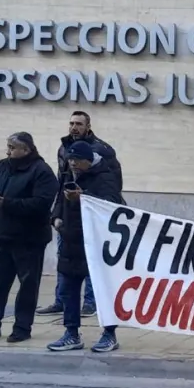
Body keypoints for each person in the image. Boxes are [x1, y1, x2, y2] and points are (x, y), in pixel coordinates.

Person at [0, 133, 57, 343]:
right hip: (2, 236)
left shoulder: (41, 171)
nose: (8, 151)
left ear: (26, 150)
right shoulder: (1, 166)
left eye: (12, 147)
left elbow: (41, 204)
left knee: (27, 286)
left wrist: (6, 203)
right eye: (8, 146)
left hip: (29, 239)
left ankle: (22, 328)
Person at [36, 110, 123, 318]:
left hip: (92, 219)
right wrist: (56, 215)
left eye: (79, 124)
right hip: (68, 217)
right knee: (64, 259)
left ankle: (91, 303)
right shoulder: (64, 148)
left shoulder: (102, 151)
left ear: (88, 126)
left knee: (91, 260)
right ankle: (61, 300)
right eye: (71, 123)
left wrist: (85, 197)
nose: (74, 127)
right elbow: (61, 184)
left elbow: (112, 188)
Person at [46, 141, 124, 352]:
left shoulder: (105, 177)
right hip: (71, 242)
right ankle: (71, 333)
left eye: (77, 161)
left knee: (103, 292)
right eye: (70, 160)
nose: (73, 164)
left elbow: (113, 205)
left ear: (88, 161)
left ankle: (109, 334)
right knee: (68, 292)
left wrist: (83, 197)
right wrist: (55, 219)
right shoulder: (68, 176)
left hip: (96, 245)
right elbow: (59, 202)